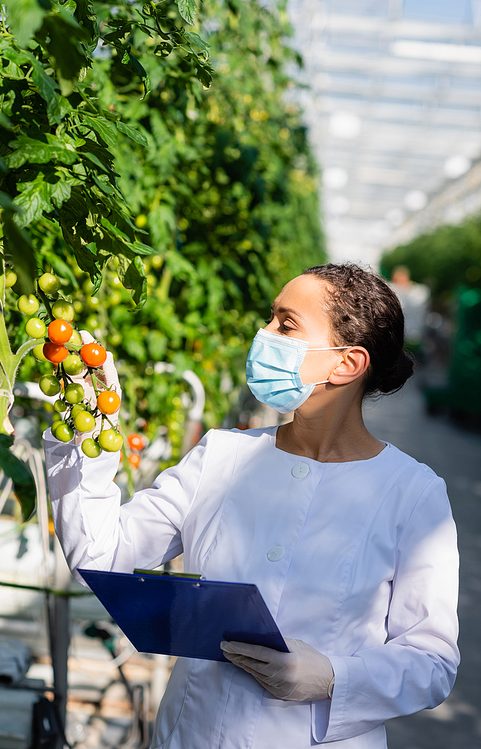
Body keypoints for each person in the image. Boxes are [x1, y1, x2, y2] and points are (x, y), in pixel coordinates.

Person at [44, 263, 459, 749]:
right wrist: (87, 438)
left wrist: (332, 677)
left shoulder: (412, 493)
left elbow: (431, 661)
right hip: (190, 734)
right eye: (269, 319)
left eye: (286, 324)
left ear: (345, 364)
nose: (263, 335)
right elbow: (99, 558)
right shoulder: (222, 456)